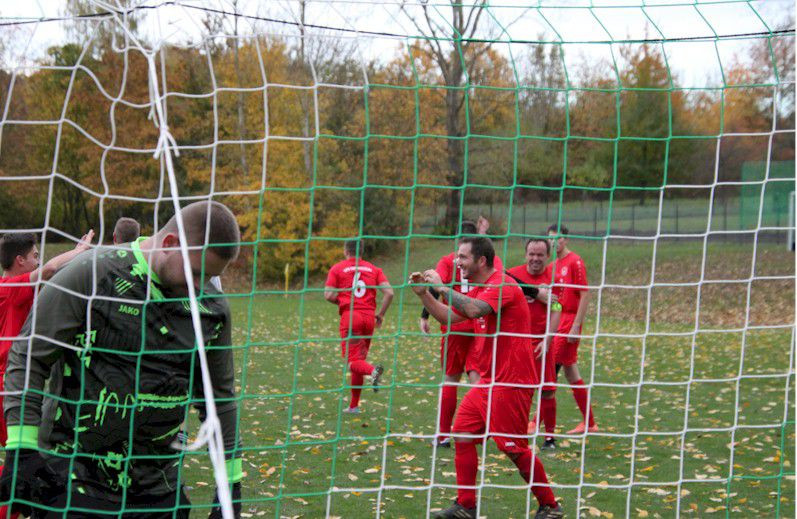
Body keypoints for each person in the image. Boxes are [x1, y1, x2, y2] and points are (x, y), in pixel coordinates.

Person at [0, 201, 243, 518]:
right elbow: (29, 357)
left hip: (158, 490)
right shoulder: (89, 275)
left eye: (210, 277)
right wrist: (22, 448)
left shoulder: (212, 309)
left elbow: (219, 399)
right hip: (73, 482)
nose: (201, 287)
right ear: (169, 244)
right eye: (197, 273)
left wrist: (231, 487)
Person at [410, 237, 562, 519]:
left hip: (512, 382)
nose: (458, 262)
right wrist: (424, 295)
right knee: (462, 432)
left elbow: (473, 309)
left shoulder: (501, 284)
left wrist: (443, 287)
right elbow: (450, 317)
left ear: (481, 260)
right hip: (490, 381)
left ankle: (550, 505)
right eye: (457, 257)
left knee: (513, 448)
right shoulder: (481, 289)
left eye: (463, 257)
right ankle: (466, 505)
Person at [0, 230, 95, 445]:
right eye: (34, 256)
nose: (38, 260)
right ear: (20, 260)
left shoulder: (11, 288)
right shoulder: (13, 288)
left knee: (23, 452)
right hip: (8, 383)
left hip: (10, 379)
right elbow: (50, 269)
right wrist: (79, 251)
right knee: (26, 450)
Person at [419, 218, 504, 447]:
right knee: (478, 376)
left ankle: (444, 434)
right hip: (480, 323)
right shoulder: (486, 262)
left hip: (455, 324)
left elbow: (436, 287)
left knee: (450, 378)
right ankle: (485, 428)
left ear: (457, 239)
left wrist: (425, 315)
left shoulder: (448, 260)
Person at [325, 240, 393, 413]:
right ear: (362, 251)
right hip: (369, 318)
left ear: (345, 250)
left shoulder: (338, 268)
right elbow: (389, 293)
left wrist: (343, 301)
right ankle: (354, 406)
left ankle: (373, 372)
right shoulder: (374, 269)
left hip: (351, 318)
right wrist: (381, 314)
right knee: (358, 360)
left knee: (353, 362)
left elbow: (328, 295)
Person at [507, 239, 561, 451]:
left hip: (543, 343)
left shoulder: (553, 279)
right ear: (525, 254)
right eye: (531, 254)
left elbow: (557, 307)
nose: (535, 259)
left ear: (548, 256)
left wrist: (548, 338)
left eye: (540, 255)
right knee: (518, 391)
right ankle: (516, 434)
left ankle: (549, 438)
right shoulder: (512, 275)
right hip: (517, 344)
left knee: (547, 390)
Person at [548, 224, 596, 435]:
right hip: (559, 319)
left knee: (551, 370)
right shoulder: (552, 266)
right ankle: (590, 422)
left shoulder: (575, 261)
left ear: (565, 240)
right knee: (570, 372)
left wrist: (576, 325)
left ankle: (535, 421)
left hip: (570, 321)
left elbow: (585, 294)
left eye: (558, 238)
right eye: (550, 238)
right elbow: (555, 298)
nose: (554, 242)